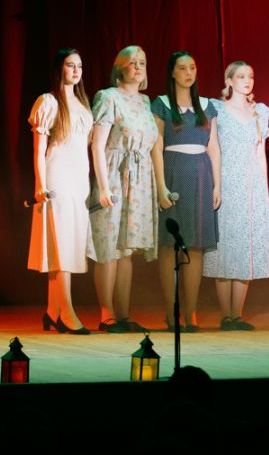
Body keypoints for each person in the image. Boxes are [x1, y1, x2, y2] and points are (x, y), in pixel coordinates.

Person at [88, 45, 159, 333]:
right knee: (109, 247)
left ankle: (124, 314)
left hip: (139, 179)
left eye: (142, 62)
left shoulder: (145, 102)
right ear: (120, 68)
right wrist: (103, 187)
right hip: (114, 175)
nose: (138, 67)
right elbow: (97, 145)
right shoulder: (109, 97)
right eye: (132, 62)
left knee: (126, 250)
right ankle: (106, 314)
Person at [204, 61, 269, 330]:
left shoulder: (260, 111)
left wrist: (265, 193)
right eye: (241, 76)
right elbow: (212, 148)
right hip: (226, 180)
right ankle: (226, 314)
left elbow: (260, 154)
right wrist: (215, 185)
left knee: (245, 246)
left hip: (252, 184)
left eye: (251, 76)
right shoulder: (217, 109)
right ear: (229, 81)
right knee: (225, 246)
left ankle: (237, 315)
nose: (247, 81)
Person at [152, 51, 220, 332]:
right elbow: (156, 145)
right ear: (172, 72)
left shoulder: (207, 105)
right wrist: (161, 186)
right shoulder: (162, 104)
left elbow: (213, 146)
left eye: (192, 67)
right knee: (170, 245)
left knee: (195, 244)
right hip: (173, 171)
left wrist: (218, 184)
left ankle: (191, 312)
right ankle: (171, 312)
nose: (188, 73)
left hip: (201, 175)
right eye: (182, 68)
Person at [27, 48, 92, 334]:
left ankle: (52, 311)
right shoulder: (49, 102)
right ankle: (66, 311)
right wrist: (40, 184)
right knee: (61, 244)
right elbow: (39, 148)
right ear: (60, 69)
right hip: (58, 178)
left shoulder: (82, 103)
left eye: (79, 66)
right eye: (70, 65)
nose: (76, 70)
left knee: (67, 243)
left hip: (78, 180)